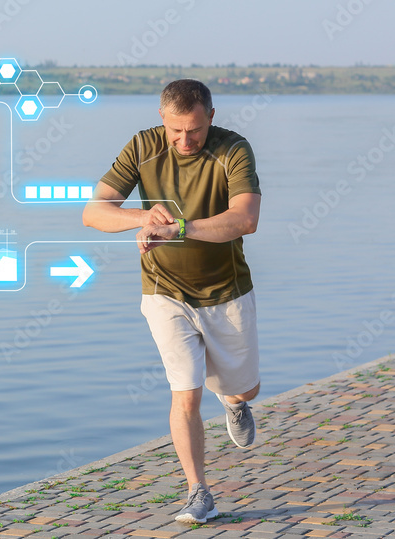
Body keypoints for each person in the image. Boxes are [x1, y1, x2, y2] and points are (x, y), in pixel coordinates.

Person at [82, 79, 262, 525]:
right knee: (185, 394)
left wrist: (176, 228)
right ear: (162, 119)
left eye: (195, 130)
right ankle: (198, 492)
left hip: (226, 291)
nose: (185, 140)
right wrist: (143, 217)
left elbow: (246, 219)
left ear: (211, 118)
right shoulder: (143, 147)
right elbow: (94, 211)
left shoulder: (233, 150)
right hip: (164, 293)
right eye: (176, 130)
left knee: (243, 387)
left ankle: (235, 403)